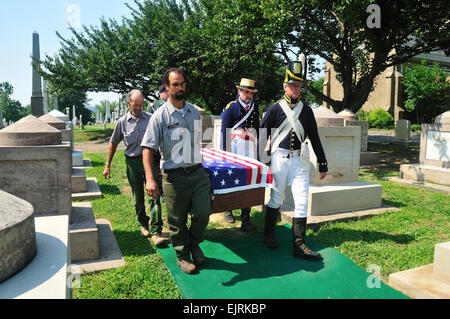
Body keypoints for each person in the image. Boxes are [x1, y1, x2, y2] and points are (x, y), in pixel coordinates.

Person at [141, 68, 211, 274]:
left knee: (203, 212)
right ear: (167, 87)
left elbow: (199, 142)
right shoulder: (159, 117)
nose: (180, 87)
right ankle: (182, 254)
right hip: (174, 177)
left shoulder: (193, 112)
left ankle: (194, 242)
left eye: (182, 83)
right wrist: (150, 179)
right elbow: (147, 149)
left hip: (197, 173)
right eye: (175, 84)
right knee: (177, 220)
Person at [260, 60, 328, 260]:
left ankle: (299, 245)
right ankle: (268, 234)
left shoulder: (306, 111)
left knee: (301, 200)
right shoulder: (274, 109)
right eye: (292, 85)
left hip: (299, 160)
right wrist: (263, 162)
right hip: (279, 159)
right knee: (275, 198)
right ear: (285, 86)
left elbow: (314, 137)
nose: (296, 89)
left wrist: (322, 163)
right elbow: (263, 135)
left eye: (298, 86)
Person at [103, 89, 167, 248]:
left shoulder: (151, 119)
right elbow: (113, 144)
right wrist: (107, 165)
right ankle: (144, 224)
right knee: (138, 197)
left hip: (150, 161)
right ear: (128, 103)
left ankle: (156, 231)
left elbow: (162, 140)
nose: (139, 108)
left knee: (154, 194)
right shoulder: (122, 122)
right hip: (132, 163)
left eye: (141, 104)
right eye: (136, 105)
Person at [220, 78, 260, 231]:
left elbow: (257, 128)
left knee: (247, 181)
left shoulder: (255, 108)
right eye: (245, 91)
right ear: (239, 91)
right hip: (234, 148)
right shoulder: (231, 107)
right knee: (231, 179)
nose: (248, 95)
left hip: (249, 147)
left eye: (250, 92)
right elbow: (224, 131)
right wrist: (225, 154)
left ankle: (246, 218)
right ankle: (228, 209)